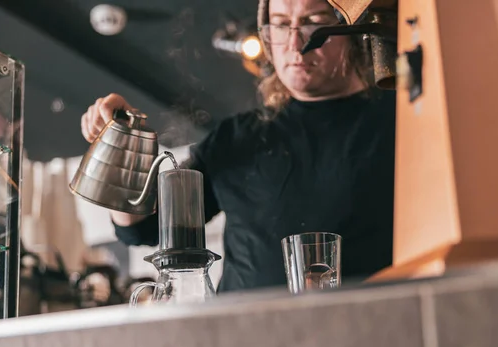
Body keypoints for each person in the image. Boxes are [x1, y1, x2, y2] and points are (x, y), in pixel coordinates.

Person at [80, 0, 396, 293]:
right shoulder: (237, 138)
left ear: (354, 31)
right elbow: (142, 229)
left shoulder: (398, 123)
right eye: (281, 24)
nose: (294, 44)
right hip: (245, 340)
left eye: (314, 23)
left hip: (366, 331)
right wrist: (124, 144)